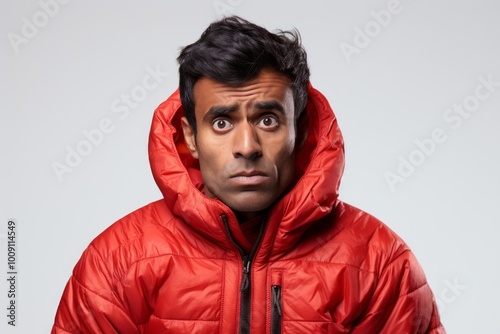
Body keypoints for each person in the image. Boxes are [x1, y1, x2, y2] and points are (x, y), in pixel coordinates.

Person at [52, 16, 445, 333]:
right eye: (221, 122)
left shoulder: (378, 263)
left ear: (300, 130)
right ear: (190, 136)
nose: (247, 146)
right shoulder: (118, 262)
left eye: (268, 119)